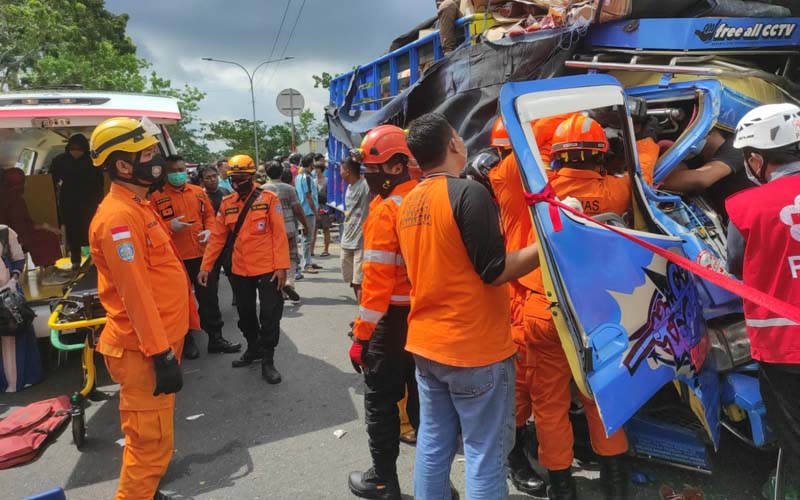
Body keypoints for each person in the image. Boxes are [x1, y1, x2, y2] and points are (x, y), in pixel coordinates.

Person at [398, 112, 540, 499]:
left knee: (433, 442)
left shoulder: (409, 203)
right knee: (483, 453)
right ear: (453, 145)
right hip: (473, 348)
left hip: (427, 345)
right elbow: (494, 271)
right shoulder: (467, 193)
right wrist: (546, 245)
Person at [521, 113, 654, 499]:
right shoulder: (616, 192)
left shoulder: (536, 190)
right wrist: (643, 137)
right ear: (601, 156)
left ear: (557, 157)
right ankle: (615, 481)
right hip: (600, 314)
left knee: (549, 406)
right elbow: (644, 172)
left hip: (545, 310)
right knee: (602, 395)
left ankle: (561, 487)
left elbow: (525, 148)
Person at [88, 116, 196, 500]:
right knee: (149, 445)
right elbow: (134, 293)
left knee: (157, 437)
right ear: (122, 165)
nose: (157, 161)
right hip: (145, 349)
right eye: (148, 154)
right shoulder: (119, 217)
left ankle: (146, 494)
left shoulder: (139, 204)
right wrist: (161, 352)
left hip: (158, 342)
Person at [725, 103, 800, 495]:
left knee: (795, 440)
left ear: (756, 159)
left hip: (783, 349)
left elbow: (736, 266)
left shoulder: (744, 207)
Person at [347, 125, 420, 500]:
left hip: (391, 323)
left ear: (394, 166)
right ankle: (436, 485)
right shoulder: (430, 198)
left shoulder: (386, 210)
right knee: (427, 403)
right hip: (428, 318)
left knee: (380, 399)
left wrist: (361, 336)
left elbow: (376, 287)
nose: (366, 175)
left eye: (370, 167)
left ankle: (384, 481)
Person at [482, 119, 547, 498]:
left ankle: (524, 444)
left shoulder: (525, 174)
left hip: (533, 287)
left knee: (536, 382)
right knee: (519, 384)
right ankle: (513, 457)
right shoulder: (505, 175)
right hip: (517, 289)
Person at [198, 154, 290, 384]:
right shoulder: (227, 204)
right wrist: (206, 267)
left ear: (251, 177)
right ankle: (253, 348)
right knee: (246, 315)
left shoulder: (269, 199)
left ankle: (268, 359)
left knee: (269, 315)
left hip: (268, 269)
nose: (236, 182)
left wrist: (282, 267)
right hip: (239, 270)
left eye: (241, 177)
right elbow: (218, 238)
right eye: (232, 177)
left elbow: (279, 235)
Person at [152, 155, 241, 358]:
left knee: (209, 297)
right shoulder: (156, 197)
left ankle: (216, 338)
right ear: (166, 173)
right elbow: (149, 227)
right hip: (175, 258)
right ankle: (187, 340)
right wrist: (168, 227)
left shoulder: (198, 193)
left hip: (202, 255)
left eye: (181, 169)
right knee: (181, 302)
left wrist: (210, 230)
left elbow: (210, 216)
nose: (178, 173)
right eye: (173, 170)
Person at [661, 127, 753, 219]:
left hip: (752, 216)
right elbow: (673, 174)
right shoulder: (700, 158)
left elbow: (701, 179)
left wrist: (656, 181)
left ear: (708, 131)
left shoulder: (736, 145)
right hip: (732, 221)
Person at [0, 168, 66, 285]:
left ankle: (50, 270)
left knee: (45, 234)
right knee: (47, 238)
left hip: (10, 233)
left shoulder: (7, 195)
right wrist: (44, 228)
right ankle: (48, 275)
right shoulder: (15, 199)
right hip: (14, 236)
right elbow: (21, 225)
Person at [49, 133, 105, 270]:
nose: (76, 150)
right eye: (73, 147)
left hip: (82, 201)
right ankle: (83, 261)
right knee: (78, 231)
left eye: (78, 147)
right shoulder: (93, 161)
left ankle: (89, 260)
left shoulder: (60, 160)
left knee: (89, 230)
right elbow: (101, 182)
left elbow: (51, 182)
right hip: (78, 201)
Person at [0, 224, 42, 393]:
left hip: (9, 293)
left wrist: (12, 281)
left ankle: (25, 378)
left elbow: (18, 259)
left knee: (18, 330)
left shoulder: (4, 231)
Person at [263, 160, 309, 302]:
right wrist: (305, 226)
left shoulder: (262, 190)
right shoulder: (289, 189)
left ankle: (280, 290)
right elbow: (298, 209)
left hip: (271, 231)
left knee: (275, 260)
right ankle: (289, 282)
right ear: (282, 173)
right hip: (288, 229)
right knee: (292, 257)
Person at [340, 157, 371, 301]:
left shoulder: (365, 185)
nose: (339, 173)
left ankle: (364, 317)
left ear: (347, 171)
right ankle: (362, 313)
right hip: (347, 240)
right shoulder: (349, 186)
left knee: (360, 282)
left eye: (341, 169)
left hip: (361, 241)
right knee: (352, 281)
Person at [295, 154, 321, 274]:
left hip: (303, 210)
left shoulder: (298, 177)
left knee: (307, 237)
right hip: (308, 211)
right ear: (311, 164)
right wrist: (316, 212)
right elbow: (308, 196)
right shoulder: (307, 178)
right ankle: (306, 264)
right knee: (307, 238)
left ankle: (308, 260)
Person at [312, 155, 332, 257]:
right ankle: (311, 250)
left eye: (317, 168)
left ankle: (326, 249)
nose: (315, 170)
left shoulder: (327, 180)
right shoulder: (313, 181)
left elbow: (330, 194)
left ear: (321, 169)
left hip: (324, 207)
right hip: (315, 207)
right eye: (315, 168)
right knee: (314, 229)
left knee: (325, 228)